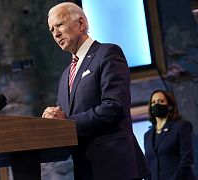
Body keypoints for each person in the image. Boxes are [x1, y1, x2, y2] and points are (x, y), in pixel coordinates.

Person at [42, 2, 149, 180]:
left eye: (59, 25)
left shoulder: (108, 53)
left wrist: (67, 121)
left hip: (116, 167)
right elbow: (66, 121)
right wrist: (53, 120)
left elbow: (113, 107)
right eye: (51, 29)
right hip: (86, 170)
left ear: (81, 23)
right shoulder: (65, 76)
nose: (55, 33)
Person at [144, 90, 197, 180]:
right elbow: (149, 164)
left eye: (161, 101)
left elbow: (187, 159)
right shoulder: (147, 135)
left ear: (170, 106)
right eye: (153, 102)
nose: (157, 104)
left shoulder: (181, 126)